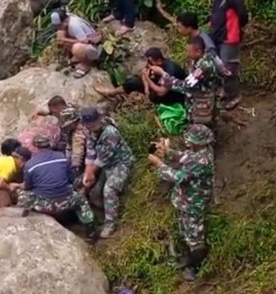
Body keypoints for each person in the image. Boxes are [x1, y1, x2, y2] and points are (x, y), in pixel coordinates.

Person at [147, 124, 215, 281]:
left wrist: (159, 164)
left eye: (191, 141)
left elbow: (178, 177)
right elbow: (185, 157)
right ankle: (188, 258)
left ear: (199, 143)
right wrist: (167, 152)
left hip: (194, 203)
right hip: (185, 201)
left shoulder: (202, 160)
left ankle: (196, 267)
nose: (188, 143)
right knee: (185, 231)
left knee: (195, 236)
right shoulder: (198, 152)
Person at [16, 135, 98, 241]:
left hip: (45, 205)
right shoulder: (62, 157)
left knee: (23, 194)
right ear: (49, 145)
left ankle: (25, 220)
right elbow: (71, 179)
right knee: (82, 200)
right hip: (66, 201)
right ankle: (91, 232)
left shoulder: (30, 165)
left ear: (35, 147)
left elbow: (28, 187)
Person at [94, 48, 189, 135]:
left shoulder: (170, 71)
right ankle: (111, 93)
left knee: (154, 93)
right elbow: (144, 73)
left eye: (151, 62)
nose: (149, 65)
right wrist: (146, 87)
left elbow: (161, 92)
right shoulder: (154, 65)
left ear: (159, 61)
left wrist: (148, 80)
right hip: (158, 87)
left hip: (174, 96)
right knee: (132, 82)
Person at [81, 107, 134, 238]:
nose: (92, 127)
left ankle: (111, 224)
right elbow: (90, 153)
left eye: (93, 124)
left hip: (120, 163)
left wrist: (91, 173)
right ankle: (101, 218)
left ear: (99, 119)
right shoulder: (88, 131)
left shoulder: (110, 133)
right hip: (105, 165)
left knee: (109, 190)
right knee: (94, 193)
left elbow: (102, 159)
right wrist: (87, 173)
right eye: (89, 125)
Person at [149, 36, 221, 127]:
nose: (187, 54)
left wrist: (163, 74)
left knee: (203, 126)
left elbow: (185, 86)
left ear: (198, 52)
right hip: (198, 97)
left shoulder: (204, 66)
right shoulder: (200, 59)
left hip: (203, 102)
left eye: (189, 52)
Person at [32, 96, 86, 177]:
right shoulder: (68, 109)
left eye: (54, 112)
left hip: (75, 144)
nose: (53, 114)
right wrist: (40, 112)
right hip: (66, 138)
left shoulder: (78, 131)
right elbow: (51, 111)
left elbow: (78, 150)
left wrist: (74, 167)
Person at [209, 0, 248, 110]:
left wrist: (233, 26)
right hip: (218, 37)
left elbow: (244, 17)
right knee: (219, 67)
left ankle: (234, 96)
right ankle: (226, 91)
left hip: (230, 37)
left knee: (228, 68)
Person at [51, 9, 103, 78]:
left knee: (76, 48)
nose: (58, 27)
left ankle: (86, 64)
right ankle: (78, 58)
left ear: (65, 21)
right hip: (86, 44)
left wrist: (64, 39)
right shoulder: (68, 19)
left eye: (60, 25)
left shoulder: (74, 25)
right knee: (62, 37)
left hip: (94, 48)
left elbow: (85, 41)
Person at [176, 12, 229, 76]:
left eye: (179, 27)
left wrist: (223, 71)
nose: (178, 30)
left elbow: (215, 58)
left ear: (189, 28)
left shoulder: (205, 41)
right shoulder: (192, 38)